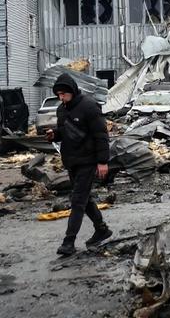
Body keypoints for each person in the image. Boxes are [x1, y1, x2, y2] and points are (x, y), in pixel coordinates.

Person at [47, 73, 112, 256]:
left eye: (64, 94)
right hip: (72, 161)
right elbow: (64, 131)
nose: (61, 97)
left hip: (88, 161)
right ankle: (101, 229)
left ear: (73, 91)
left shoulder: (89, 107)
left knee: (77, 200)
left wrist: (102, 162)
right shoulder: (62, 110)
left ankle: (68, 242)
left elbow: (101, 135)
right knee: (85, 198)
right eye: (59, 94)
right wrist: (55, 134)